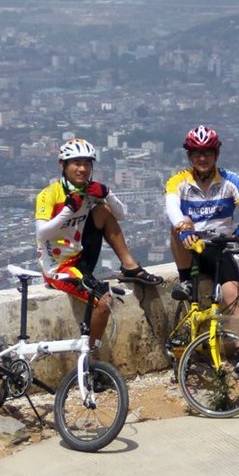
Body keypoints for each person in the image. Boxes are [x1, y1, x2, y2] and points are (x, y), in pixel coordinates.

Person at [35, 137, 162, 347]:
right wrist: (68, 210)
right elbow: (42, 233)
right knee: (104, 303)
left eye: (87, 163)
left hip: (81, 257)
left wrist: (107, 194)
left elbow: (121, 215)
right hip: (59, 267)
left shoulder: (88, 191)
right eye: (76, 163)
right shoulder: (49, 194)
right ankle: (89, 363)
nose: (82, 169)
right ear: (63, 165)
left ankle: (130, 266)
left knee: (103, 211)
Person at [165, 124, 239, 319]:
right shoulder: (178, 181)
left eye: (207, 153)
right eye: (197, 153)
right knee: (180, 223)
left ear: (216, 154)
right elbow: (172, 208)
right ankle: (186, 281)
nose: (202, 158)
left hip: (220, 250)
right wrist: (184, 229)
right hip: (191, 247)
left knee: (237, 307)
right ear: (189, 157)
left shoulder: (231, 180)